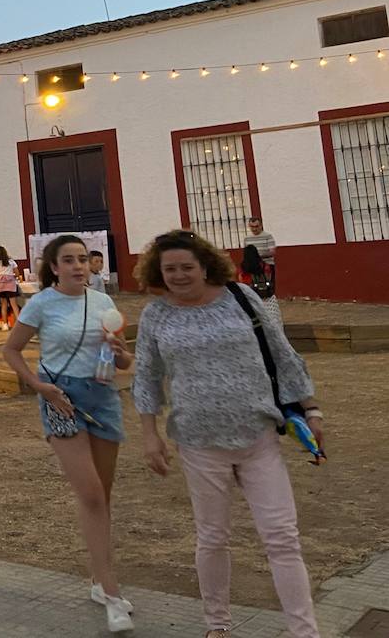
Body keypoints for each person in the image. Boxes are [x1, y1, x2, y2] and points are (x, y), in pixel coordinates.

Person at [132, 230, 323, 638]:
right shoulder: (156, 315)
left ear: (205, 265)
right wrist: (150, 435)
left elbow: (281, 353)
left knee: (282, 538)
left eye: (187, 267)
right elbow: (147, 378)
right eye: (170, 269)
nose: (180, 275)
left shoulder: (240, 297)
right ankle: (218, 625)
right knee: (213, 538)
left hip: (258, 437)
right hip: (198, 444)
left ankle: (304, 631)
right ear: (158, 272)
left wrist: (311, 408)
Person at [2, 235, 135, 633]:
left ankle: (98, 580)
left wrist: (119, 350)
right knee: (90, 492)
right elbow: (12, 350)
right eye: (69, 260)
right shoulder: (42, 302)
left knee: (103, 496)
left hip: (103, 395)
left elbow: (124, 359)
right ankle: (112, 592)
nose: (78, 266)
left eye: (84, 259)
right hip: (59, 396)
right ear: (54, 267)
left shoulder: (104, 304)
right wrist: (36, 385)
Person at [0, 246, 21, 327]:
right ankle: (18, 324)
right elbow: (17, 273)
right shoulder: (11, 261)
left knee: (4, 305)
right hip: (11, 285)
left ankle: (5, 324)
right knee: (14, 305)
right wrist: (11, 276)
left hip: (1, 285)